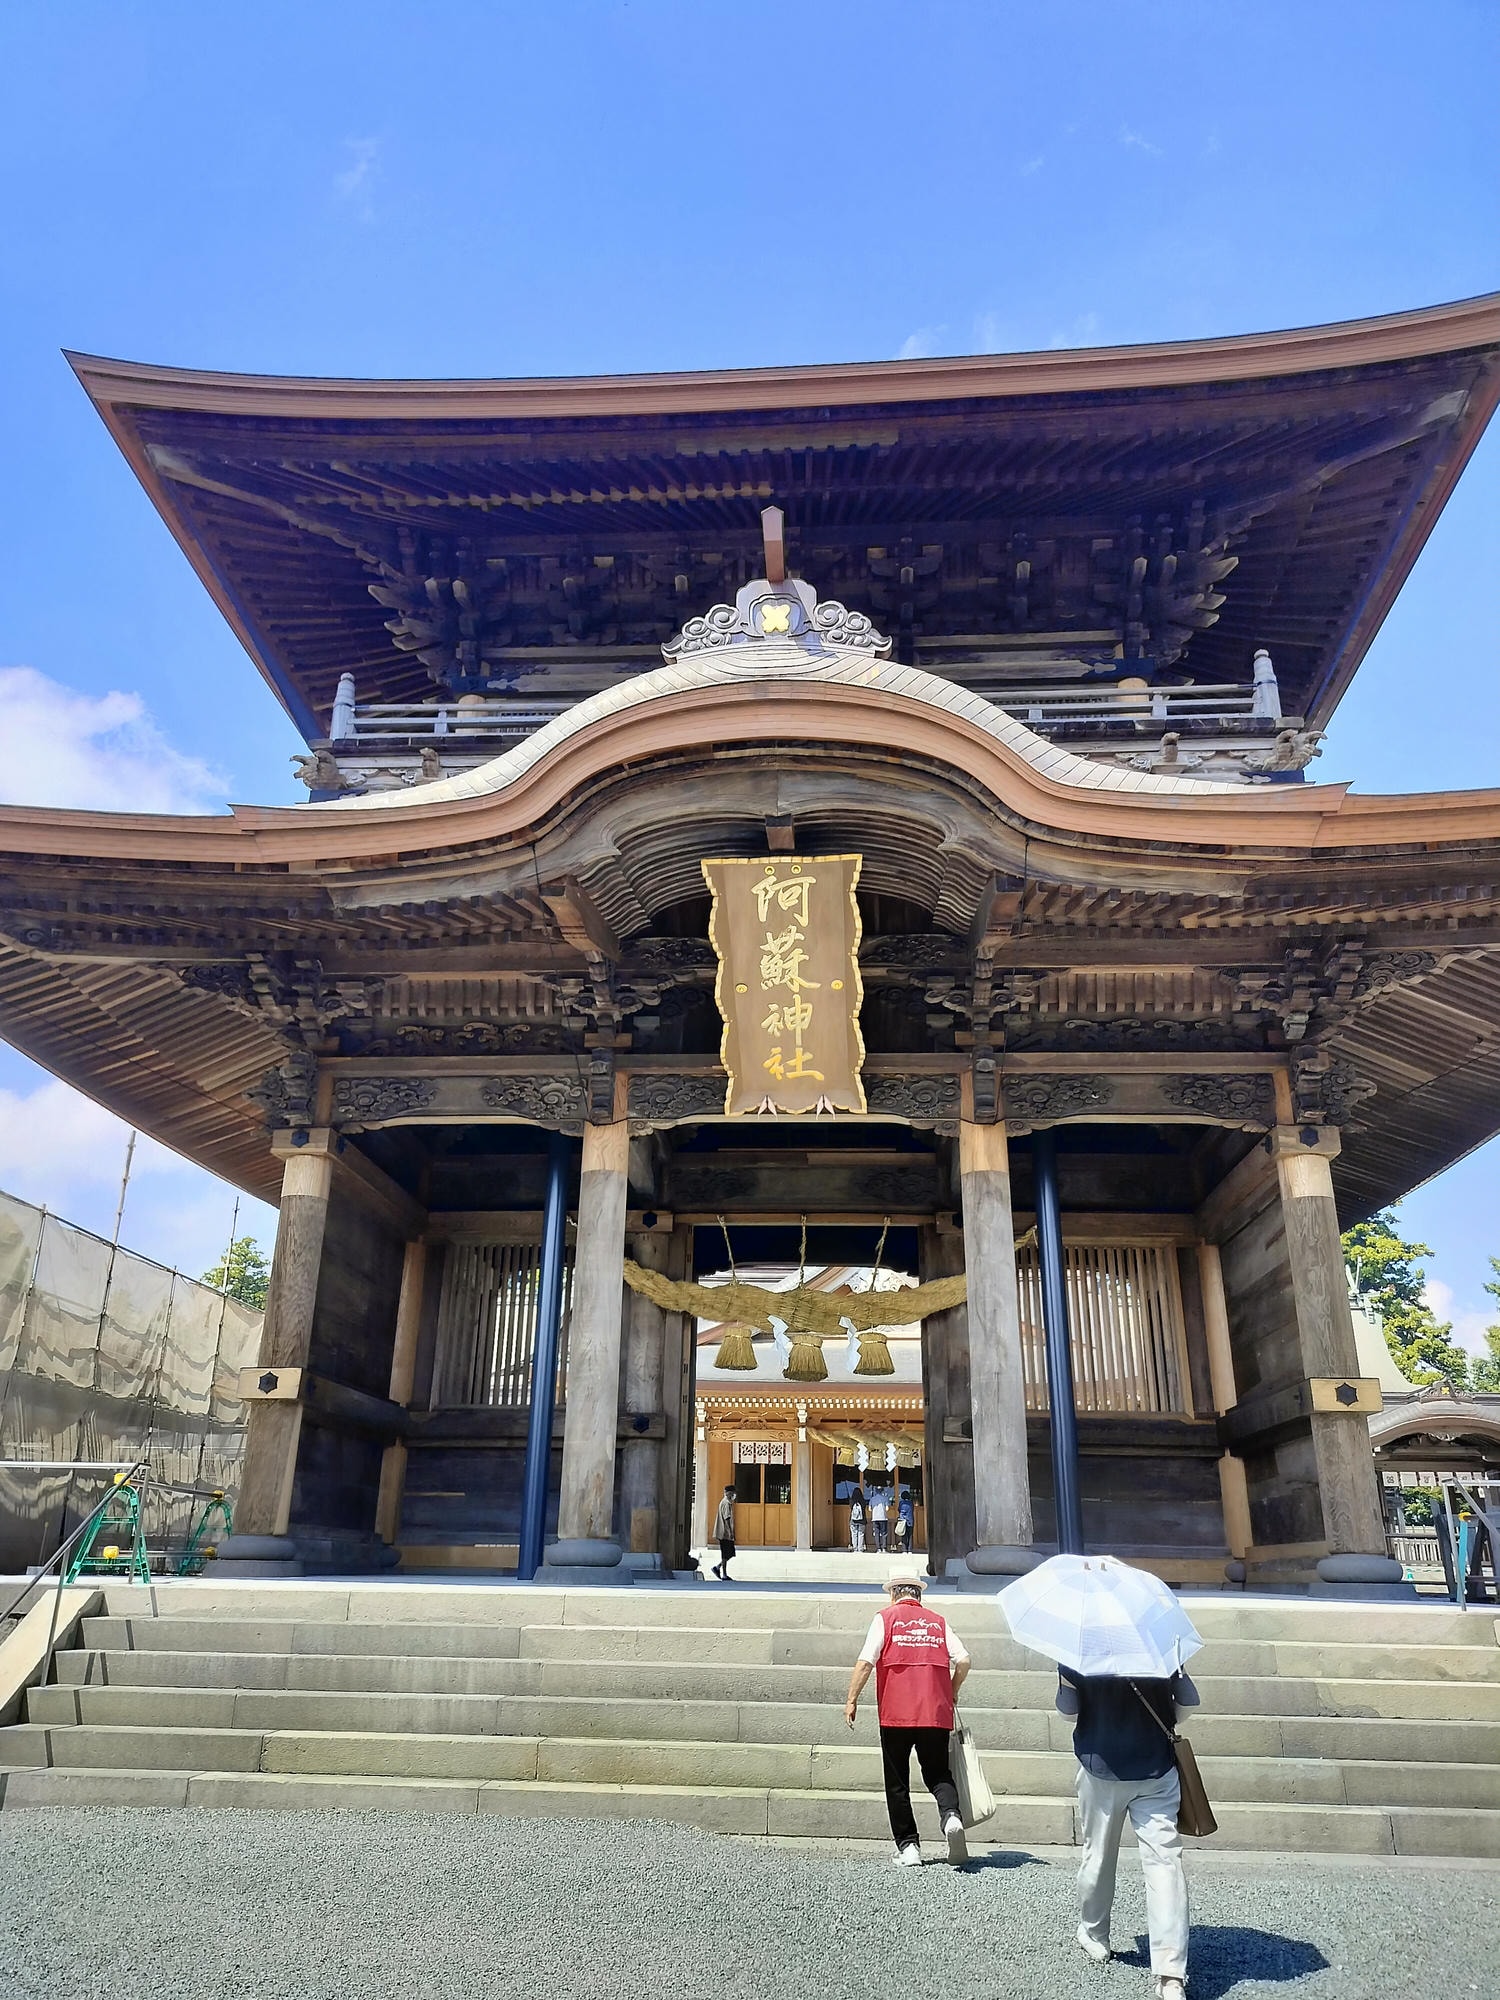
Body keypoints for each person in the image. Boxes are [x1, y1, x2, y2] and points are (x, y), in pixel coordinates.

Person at [1057, 1664, 1199, 2000]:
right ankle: (1170, 1975)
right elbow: (1189, 1703)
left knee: (1099, 1855)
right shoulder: (1158, 1643)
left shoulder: (1079, 1647)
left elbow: (1067, 1712)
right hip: (1156, 1767)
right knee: (1165, 1864)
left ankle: (1095, 1935)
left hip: (1101, 1766)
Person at [844, 1576, 971, 1868]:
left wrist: (852, 1699)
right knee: (939, 1774)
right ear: (918, 1596)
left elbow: (866, 1661)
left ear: (893, 1595)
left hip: (896, 1712)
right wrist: (952, 1690)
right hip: (935, 1712)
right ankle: (951, 1816)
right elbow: (963, 1659)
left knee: (897, 1781)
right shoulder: (938, 1622)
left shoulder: (885, 1619)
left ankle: (909, 1846)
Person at [711, 1484, 736, 1581]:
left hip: (723, 1533)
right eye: (733, 1493)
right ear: (729, 1493)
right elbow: (727, 1519)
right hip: (724, 1533)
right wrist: (730, 1532)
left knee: (729, 1553)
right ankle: (723, 1573)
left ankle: (718, 1568)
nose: (734, 1495)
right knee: (726, 1553)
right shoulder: (726, 1503)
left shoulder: (725, 1502)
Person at [868, 1484, 890, 1551]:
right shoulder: (885, 1498)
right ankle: (884, 1548)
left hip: (875, 1518)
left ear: (876, 1491)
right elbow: (887, 1508)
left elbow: (869, 1509)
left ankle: (878, 1548)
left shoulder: (872, 1499)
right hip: (883, 1517)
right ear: (882, 1491)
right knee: (884, 1533)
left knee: (876, 1533)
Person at [848, 1483, 867, 1553]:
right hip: (862, 1521)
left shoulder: (851, 1501)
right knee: (861, 1534)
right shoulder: (863, 1501)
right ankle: (860, 1548)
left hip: (853, 1520)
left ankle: (855, 1548)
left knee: (854, 1534)